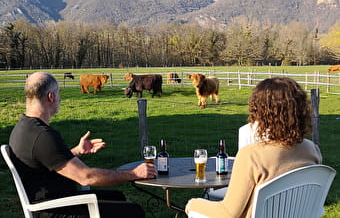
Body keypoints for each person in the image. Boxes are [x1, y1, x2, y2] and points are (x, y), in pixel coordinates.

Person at [9, 71, 157, 218]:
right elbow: (86, 177)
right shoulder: (42, 135)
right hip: (55, 209)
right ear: (51, 97)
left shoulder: (23, 127)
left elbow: (45, 162)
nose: (60, 99)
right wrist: (133, 174)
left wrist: (77, 151)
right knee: (134, 212)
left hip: (56, 200)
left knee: (117, 196)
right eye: (58, 94)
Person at [185, 77, 322, 218]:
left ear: (259, 111)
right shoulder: (311, 150)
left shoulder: (251, 155)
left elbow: (228, 212)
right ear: (300, 110)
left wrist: (194, 203)